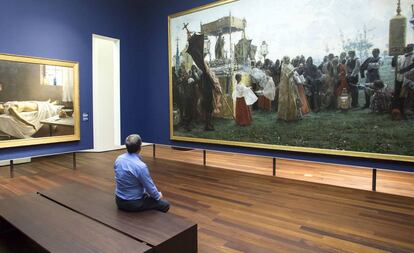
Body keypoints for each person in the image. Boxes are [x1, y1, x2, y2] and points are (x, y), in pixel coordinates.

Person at [114, 134, 170, 213]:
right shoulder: (140, 166)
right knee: (165, 205)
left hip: (119, 201)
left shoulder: (118, 159)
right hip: (134, 203)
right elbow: (149, 186)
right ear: (140, 147)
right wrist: (158, 196)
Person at [278, 56, 300, 121]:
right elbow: (287, 75)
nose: (288, 60)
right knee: (286, 100)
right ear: (285, 60)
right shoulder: (283, 66)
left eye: (289, 59)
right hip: (285, 85)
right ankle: (286, 116)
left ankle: (295, 115)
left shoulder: (290, 65)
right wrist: (294, 70)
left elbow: (292, 74)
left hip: (291, 84)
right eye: (287, 59)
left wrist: (295, 73)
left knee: (294, 98)